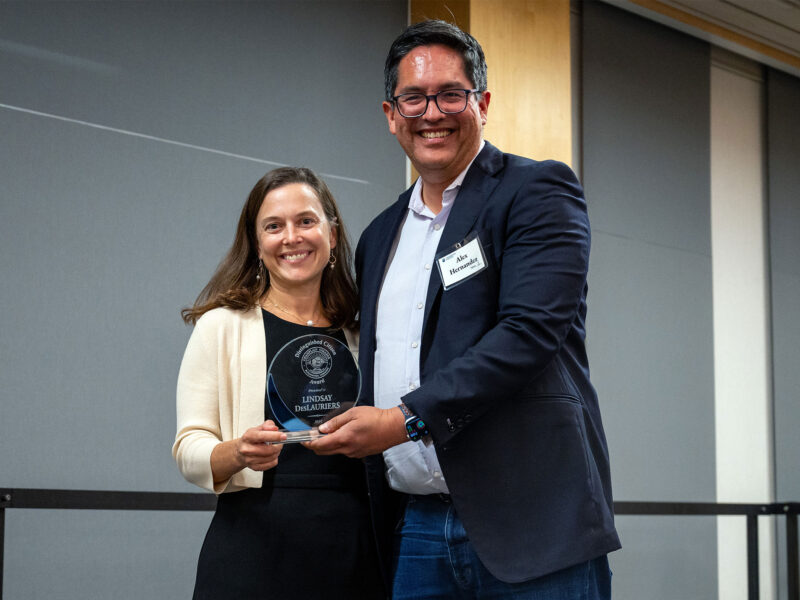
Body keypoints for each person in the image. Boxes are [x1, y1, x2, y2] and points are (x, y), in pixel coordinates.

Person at [307, 20, 621, 599]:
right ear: (390, 113)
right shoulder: (379, 236)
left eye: (451, 93)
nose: (433, 112)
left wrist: (402, 421)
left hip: (532, 522)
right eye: (414, 98)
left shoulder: (536, 191)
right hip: (418, 528)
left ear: (483, 103)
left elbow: (528, 334)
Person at [173, 167, 384, 600]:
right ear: (256, 243)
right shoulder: (221, 326)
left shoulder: (366, 334)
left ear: (332, 232)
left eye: (306, 220)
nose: (292, 237)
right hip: (252, 549)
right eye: (274, 226)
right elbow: (189, 448)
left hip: (356, 551)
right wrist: (237, 452)